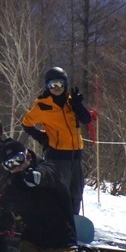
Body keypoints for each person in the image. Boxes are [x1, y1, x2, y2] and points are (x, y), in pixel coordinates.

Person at [0, 139, 94, 252]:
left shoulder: (48, 167)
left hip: (58, 236)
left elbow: (47, 174)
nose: (15, 166)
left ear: (27, 155)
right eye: (9, 164)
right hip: (33, 237)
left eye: (18, 160)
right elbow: (6, 204)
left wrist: (35, 176)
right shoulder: (14, 183)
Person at [21, 66, 92, 214]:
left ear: (65, 84)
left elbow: (87, 119)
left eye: (60, 84)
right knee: (59, 194)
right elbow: (26, 123)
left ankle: (73, 222)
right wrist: (42, 138)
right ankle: (58, 224)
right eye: (53, 85)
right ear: (47, 86)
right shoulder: (42, 105)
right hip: (57, 156)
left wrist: (78, 106)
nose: (57, 88)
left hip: (76, 156)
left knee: (76, 194)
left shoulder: (71, 101)